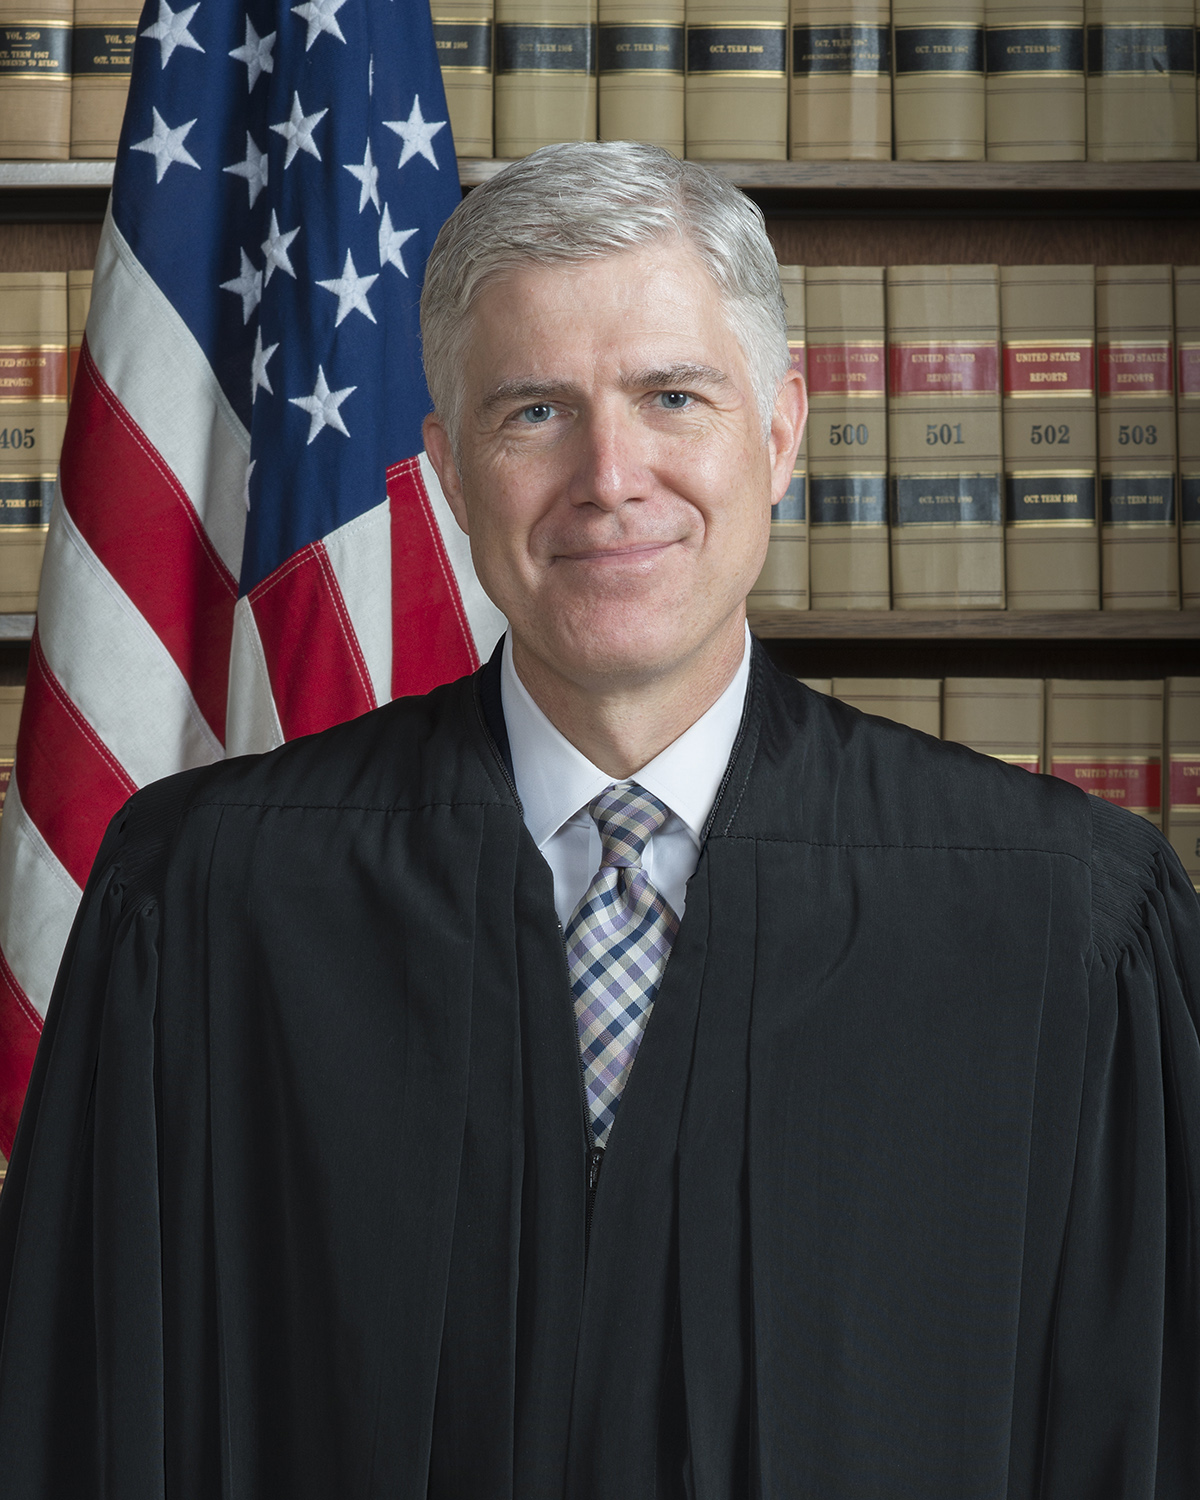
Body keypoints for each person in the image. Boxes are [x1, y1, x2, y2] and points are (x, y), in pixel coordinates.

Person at [1, 141, 1198, 1500]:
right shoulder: (210, 905)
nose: (611, 477)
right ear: (449, 474)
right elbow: (87, 1435)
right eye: (535, 413)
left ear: (780, 435)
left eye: (673, 397)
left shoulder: (1063, 926)